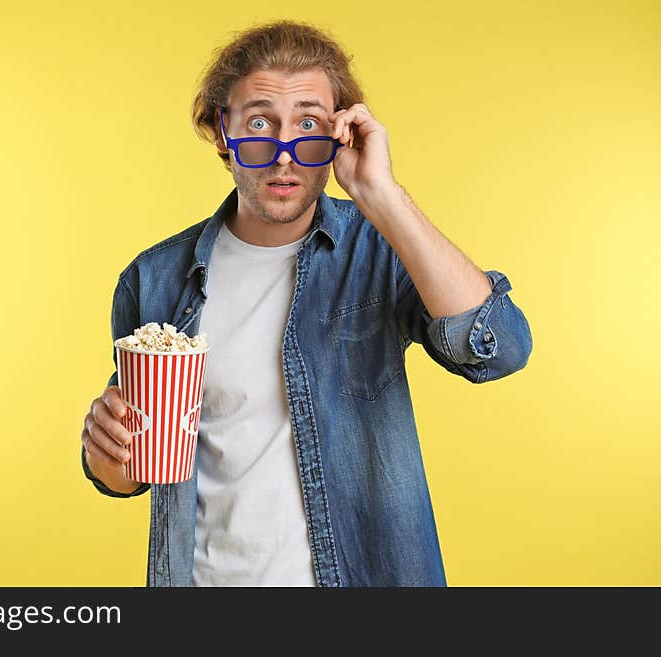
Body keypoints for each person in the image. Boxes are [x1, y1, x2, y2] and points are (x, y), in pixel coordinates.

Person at [80, 20, 533, 587]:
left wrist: (383, 197)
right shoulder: (153, 281)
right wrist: (107, 455)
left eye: (310, 124)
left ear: (340, 134)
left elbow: (500, 349)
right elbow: (132, 470)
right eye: (260, 123)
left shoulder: (379, 251)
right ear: (223, 131)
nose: (284, 153)